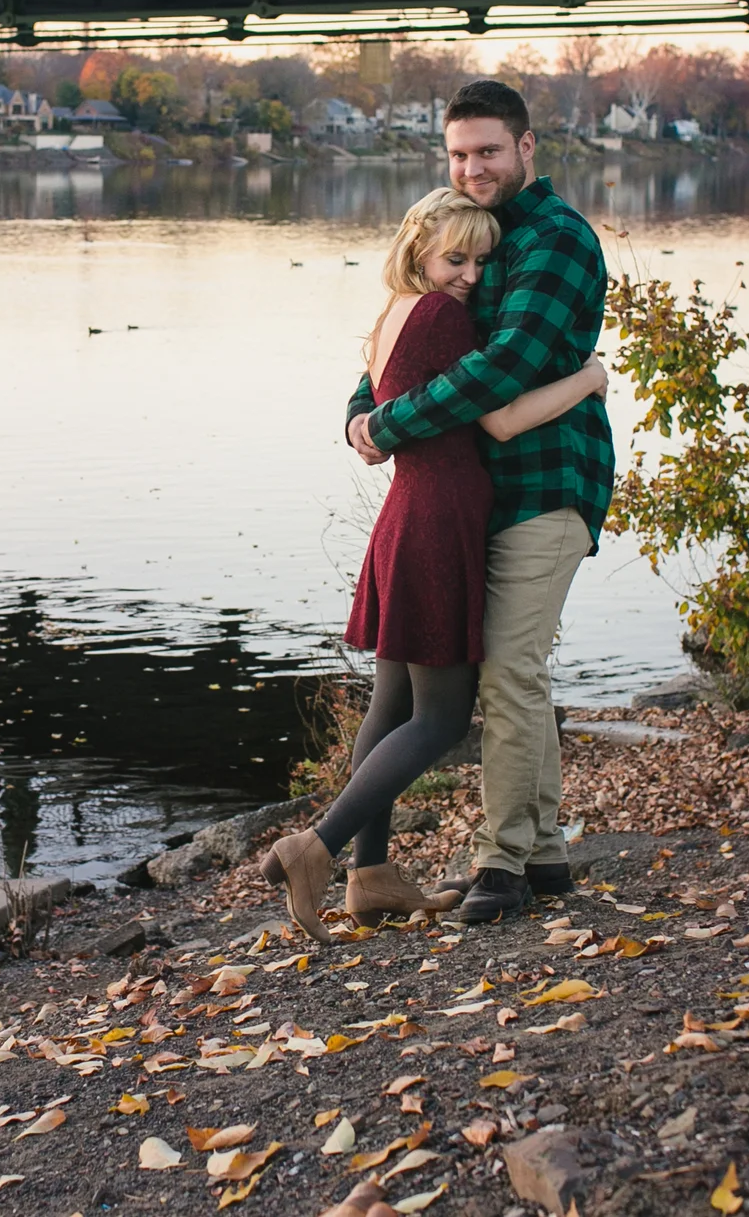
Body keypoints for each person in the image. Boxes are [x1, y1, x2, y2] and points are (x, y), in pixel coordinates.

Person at [263, 188, 609, 942]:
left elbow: (376, 400)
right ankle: (316, 848)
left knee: (390, 705)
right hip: (441, 518)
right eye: (457, 258)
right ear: (419, 246)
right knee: (442, 715)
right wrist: (590, 377)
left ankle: (371, 874)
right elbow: (501, 414)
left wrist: (367, 423)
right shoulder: (445, 318)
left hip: (404, 515)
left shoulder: (393, 312)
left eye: (483, 261)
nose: (473, 277)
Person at [345, 80, 615, 925]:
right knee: (510, 674)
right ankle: (542, 856)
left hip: (547, 486)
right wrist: (359, 410)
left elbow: (497, 373)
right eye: (460, 154)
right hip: (480, 500)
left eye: (488, 151)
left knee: (509, 674)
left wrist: (384, 421)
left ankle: (500, 865)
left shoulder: (557, 240)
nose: (473, 168)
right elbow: (421, 338)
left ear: (526, 148)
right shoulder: (478, 235)